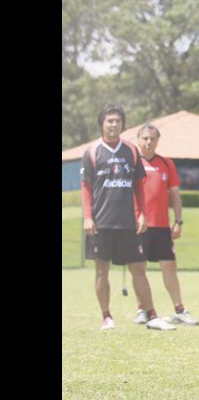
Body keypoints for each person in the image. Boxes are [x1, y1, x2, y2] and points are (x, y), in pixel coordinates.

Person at [81, 104, 176, 331]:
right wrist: (87, 216)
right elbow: (85, 187)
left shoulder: (131, 151)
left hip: (128, 223)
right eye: (109, 121)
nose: (113, 124)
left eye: (117, 121)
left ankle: (151, 315)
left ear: (123, 124)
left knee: (138, 270)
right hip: (101, 223)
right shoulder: (92, 152)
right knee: (102, 270)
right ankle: (106, 317)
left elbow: (138, 186)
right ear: (102, 124)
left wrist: (141, 213)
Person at [132, 123, 198, 326]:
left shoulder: (167, 164)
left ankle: (179, 310)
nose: (148, 142)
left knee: (169, 266)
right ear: (139, 140)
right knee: (138, 269)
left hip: (161, 227)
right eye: (145, 138)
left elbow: (175, 196)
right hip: (138, 226)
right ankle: (142, 310)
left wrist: (178, 221)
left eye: (152, 138)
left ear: (158, 141)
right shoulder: (132, 164)